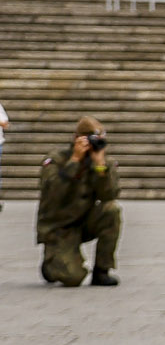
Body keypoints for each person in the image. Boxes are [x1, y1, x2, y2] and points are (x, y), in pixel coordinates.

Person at [38, 116, 121, 286]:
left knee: (111, 210)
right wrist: (74, 161)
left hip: (84, 220)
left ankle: (102, 270)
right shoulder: (57, 159)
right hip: (59, 226)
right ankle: (51, 265)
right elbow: (54, 193)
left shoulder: (102, 162)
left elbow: (108, 196)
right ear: (77, 139)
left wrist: (100, 167)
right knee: (72, 278)